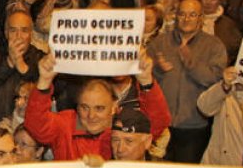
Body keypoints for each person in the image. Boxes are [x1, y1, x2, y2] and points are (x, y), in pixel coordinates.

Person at [25, 51, 169, 161]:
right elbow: (36, 125)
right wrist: (44, 81)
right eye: (84, 107)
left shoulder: (121, 124)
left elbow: (156, 124)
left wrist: (146, 81)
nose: (91, 116)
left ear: (114, 107)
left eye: (99, 108)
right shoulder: (66, 124)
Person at [147, 0, 226, 163]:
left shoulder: (213, 45)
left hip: (194, 125)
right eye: (182, 14)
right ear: (176, 17)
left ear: (201, 18)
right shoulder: (159, 43)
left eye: (192, 15)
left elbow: (216, 81)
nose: (186, 19)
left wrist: (192, 64)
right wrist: (158, 70)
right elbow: (144, 79)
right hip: (161, 125)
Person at [0, 10, 42, 128]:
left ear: (31, 34)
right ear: (6, 33)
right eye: (13, 30)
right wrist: (9, 63)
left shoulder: (40, 58)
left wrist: (24, 68)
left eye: (24, 30)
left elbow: (48, 90)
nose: (18, 36)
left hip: (28, 135)